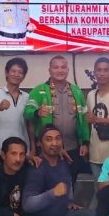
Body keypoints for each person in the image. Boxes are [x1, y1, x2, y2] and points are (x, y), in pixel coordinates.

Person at [22, 126, 95, 216]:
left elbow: (67, 183)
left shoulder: (63, 160)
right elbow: (27, 204)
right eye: (49, 140)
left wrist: (69, 201)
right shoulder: (37, 166)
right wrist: (52, 193)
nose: (54, 143)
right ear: (40, 143)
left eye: (57, 139)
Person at [24, 55, 90, 185]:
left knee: (70, 182)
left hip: (72, 148)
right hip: (47, 149)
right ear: (49, 70)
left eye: (63, 67)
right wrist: (37, 112)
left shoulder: (76, 91)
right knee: (48, 184)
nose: (60, 70)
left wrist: (85, 142)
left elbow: (83, 118)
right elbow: (27, 113)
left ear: (68, 70)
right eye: (56, 67)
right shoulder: (39, 90)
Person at [0, 57, 30, 165]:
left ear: (23, 76)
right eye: (13, 71)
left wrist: (32, 148)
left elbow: (29, 124)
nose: (16, 74)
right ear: (6, 73)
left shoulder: (28, 97)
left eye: (20, 72)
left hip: (21, 151)